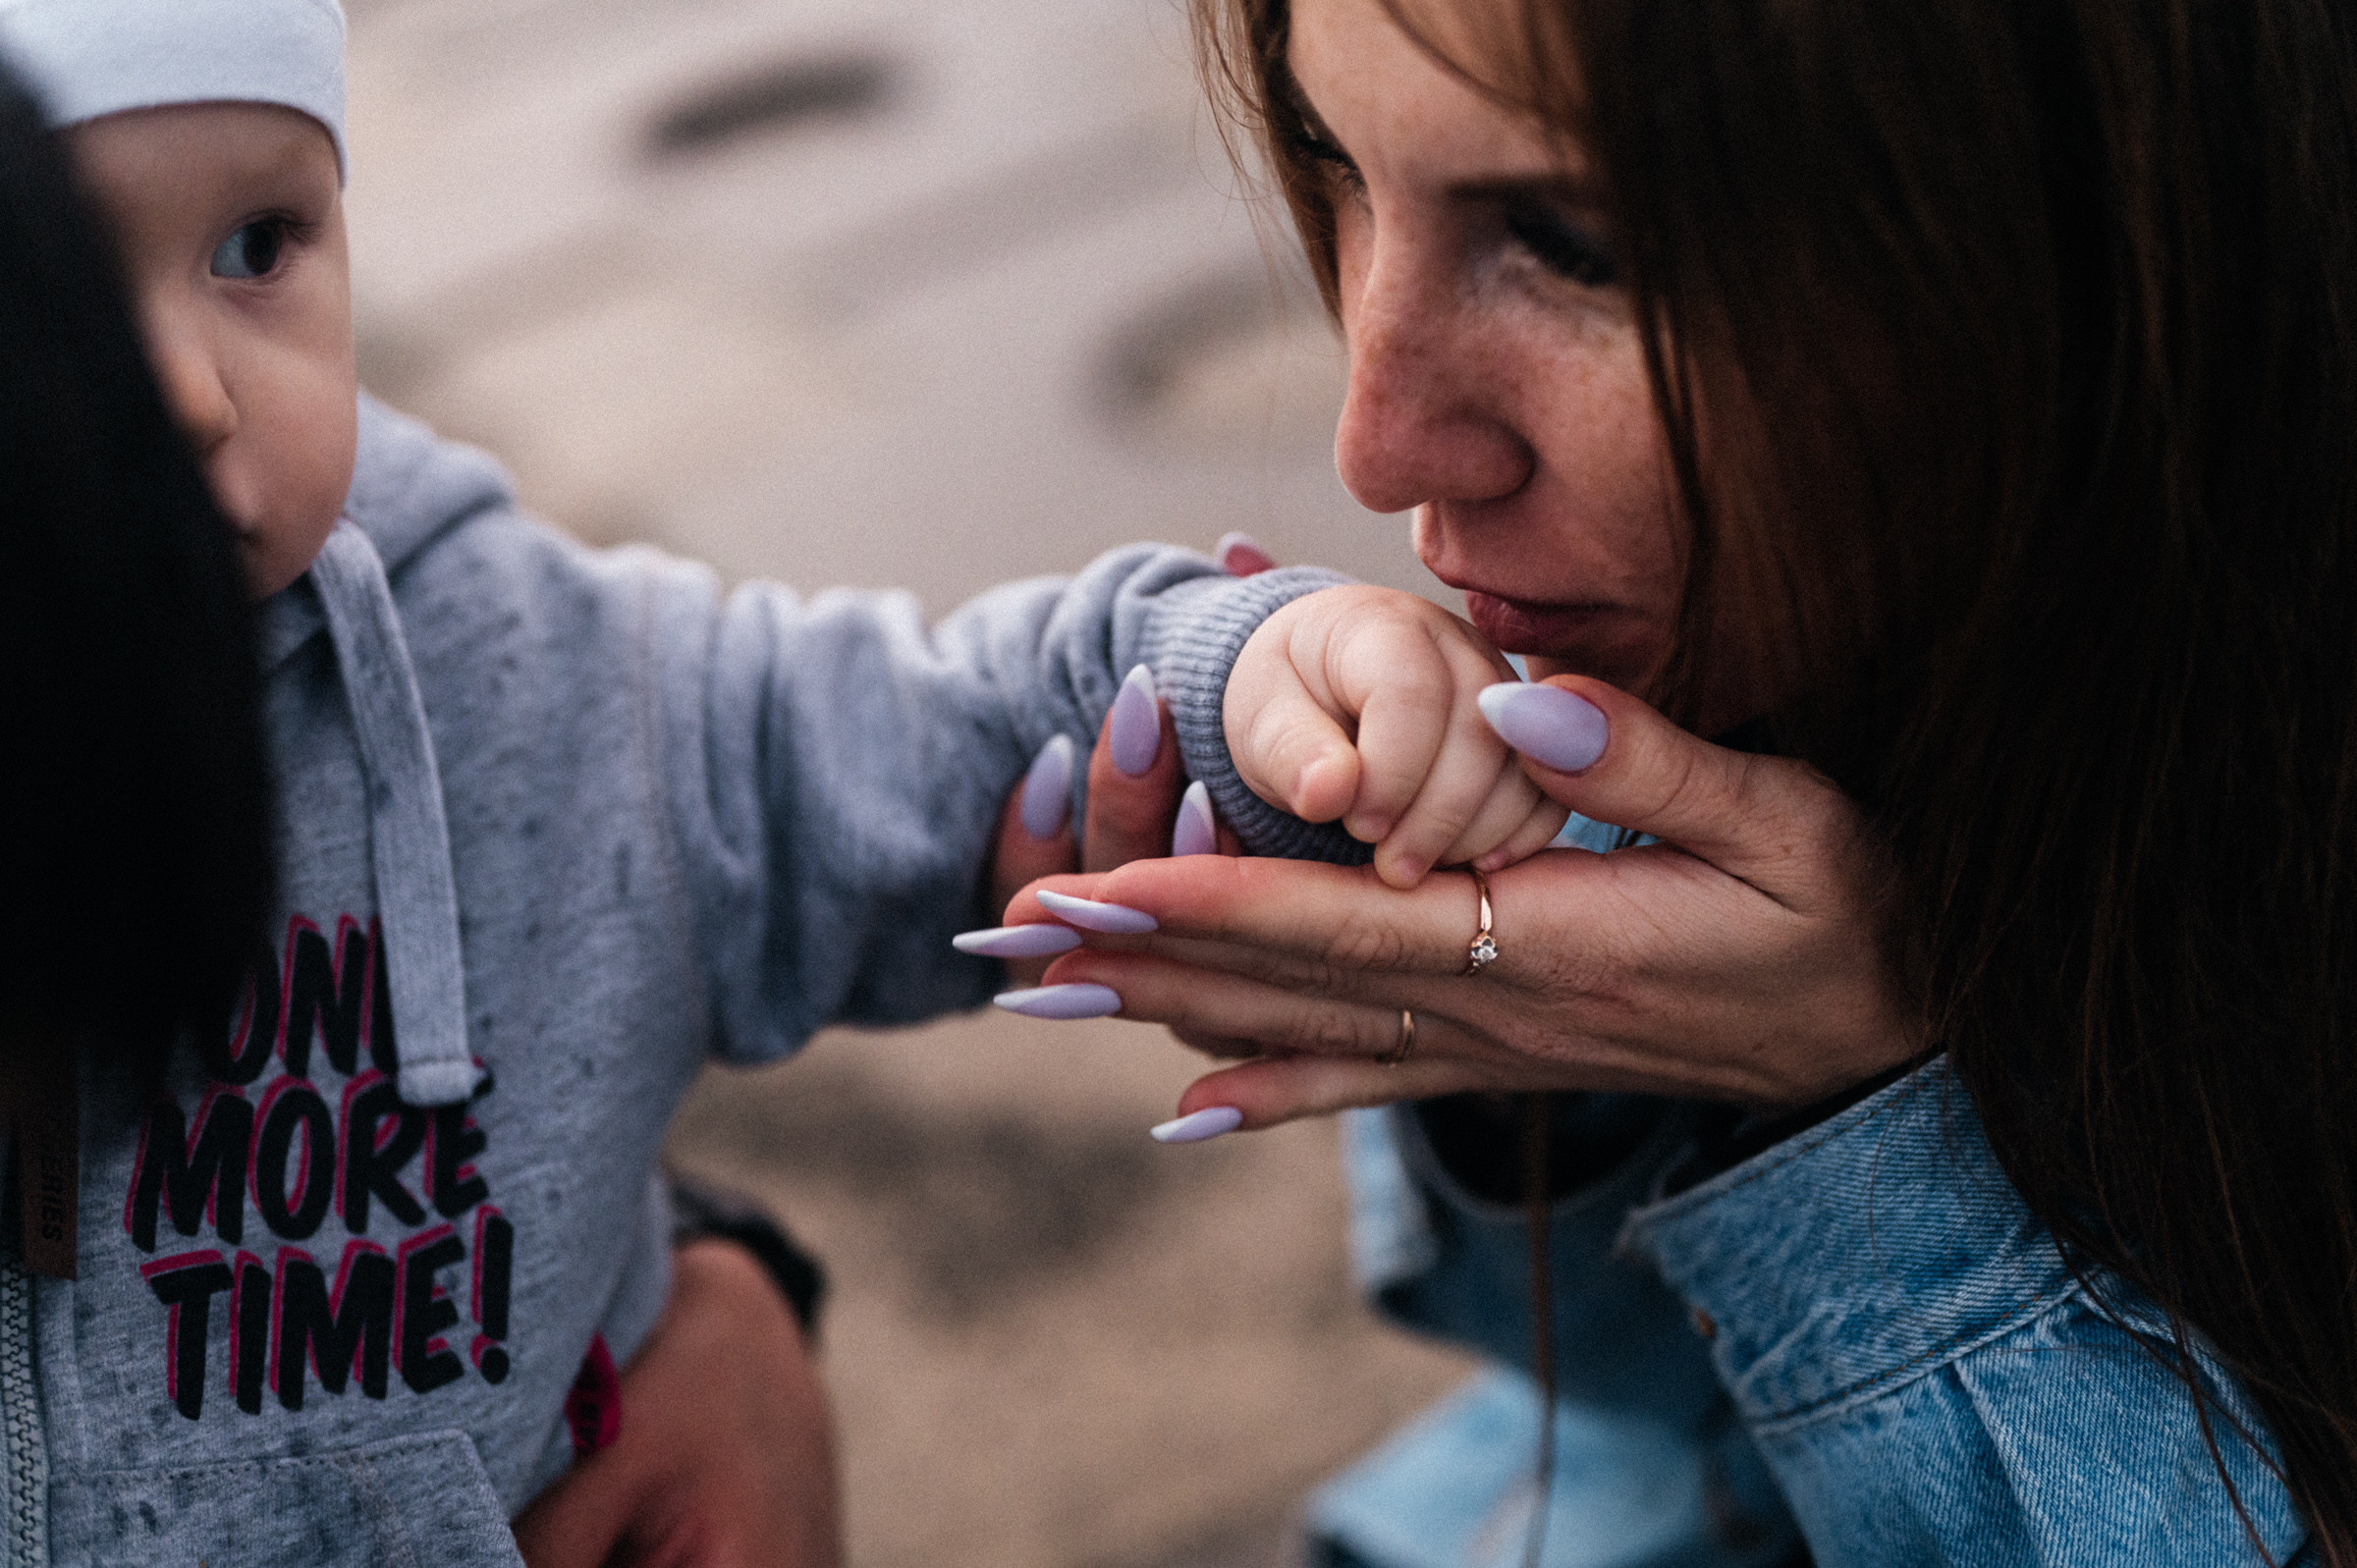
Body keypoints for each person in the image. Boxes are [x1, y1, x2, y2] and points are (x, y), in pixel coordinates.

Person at [0, 0, 1568, 1560]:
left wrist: (1255, 681)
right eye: (54, 313)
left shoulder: (527, 679)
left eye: (258, 245)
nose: (194, 397)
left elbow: (931, 723)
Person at [982, 0, 2357, 1560]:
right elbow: (1648, 1398)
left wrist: (1872, 1157)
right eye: (1333, 158)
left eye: (1572, 239)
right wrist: (1557, 1045)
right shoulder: (1772, 661)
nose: (1381, 442)